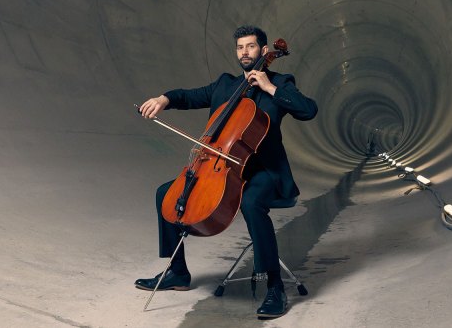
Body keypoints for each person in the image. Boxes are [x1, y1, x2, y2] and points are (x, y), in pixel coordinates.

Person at [135, 25, 318, 318]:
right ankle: (177, 272)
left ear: (263, 49)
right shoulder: (225, 85)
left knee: (251, 201)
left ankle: (274, 287)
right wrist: (164, 99)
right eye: (240, 47)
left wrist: (270, 87)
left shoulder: (281, 82)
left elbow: (308, 110)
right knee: (164, 193)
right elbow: (189, 96)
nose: (245, 52)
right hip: (220, 167)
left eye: (250, 47)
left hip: (264, 172)